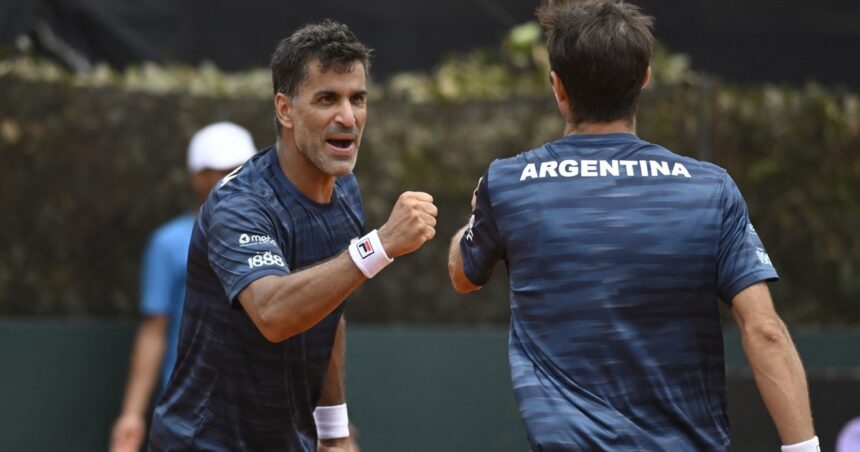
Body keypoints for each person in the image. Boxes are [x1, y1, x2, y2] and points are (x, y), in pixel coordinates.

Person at [447, 1, 818, 451]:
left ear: (557, 87)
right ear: (645, 77)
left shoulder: (508, 184)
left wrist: (476, 213)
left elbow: (464, 276)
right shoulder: (710, 189)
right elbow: (764, 329)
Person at [148, 20, 436, 451]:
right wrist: (380, 245)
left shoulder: (346, 192)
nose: (347, 117)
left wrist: (334, 431)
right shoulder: (239, 203)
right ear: (285, 110)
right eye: (327, 99)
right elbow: (274, 314)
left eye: (357, 99)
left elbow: (329, 308)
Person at [110, 122, 257, 452]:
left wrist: (333, 421)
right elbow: (154, 330)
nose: (228, 179)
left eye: (237, 169)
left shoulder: (276, 237)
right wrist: (132, 416)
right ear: (197, 177)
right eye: (216, 170)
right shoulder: (167, 244)